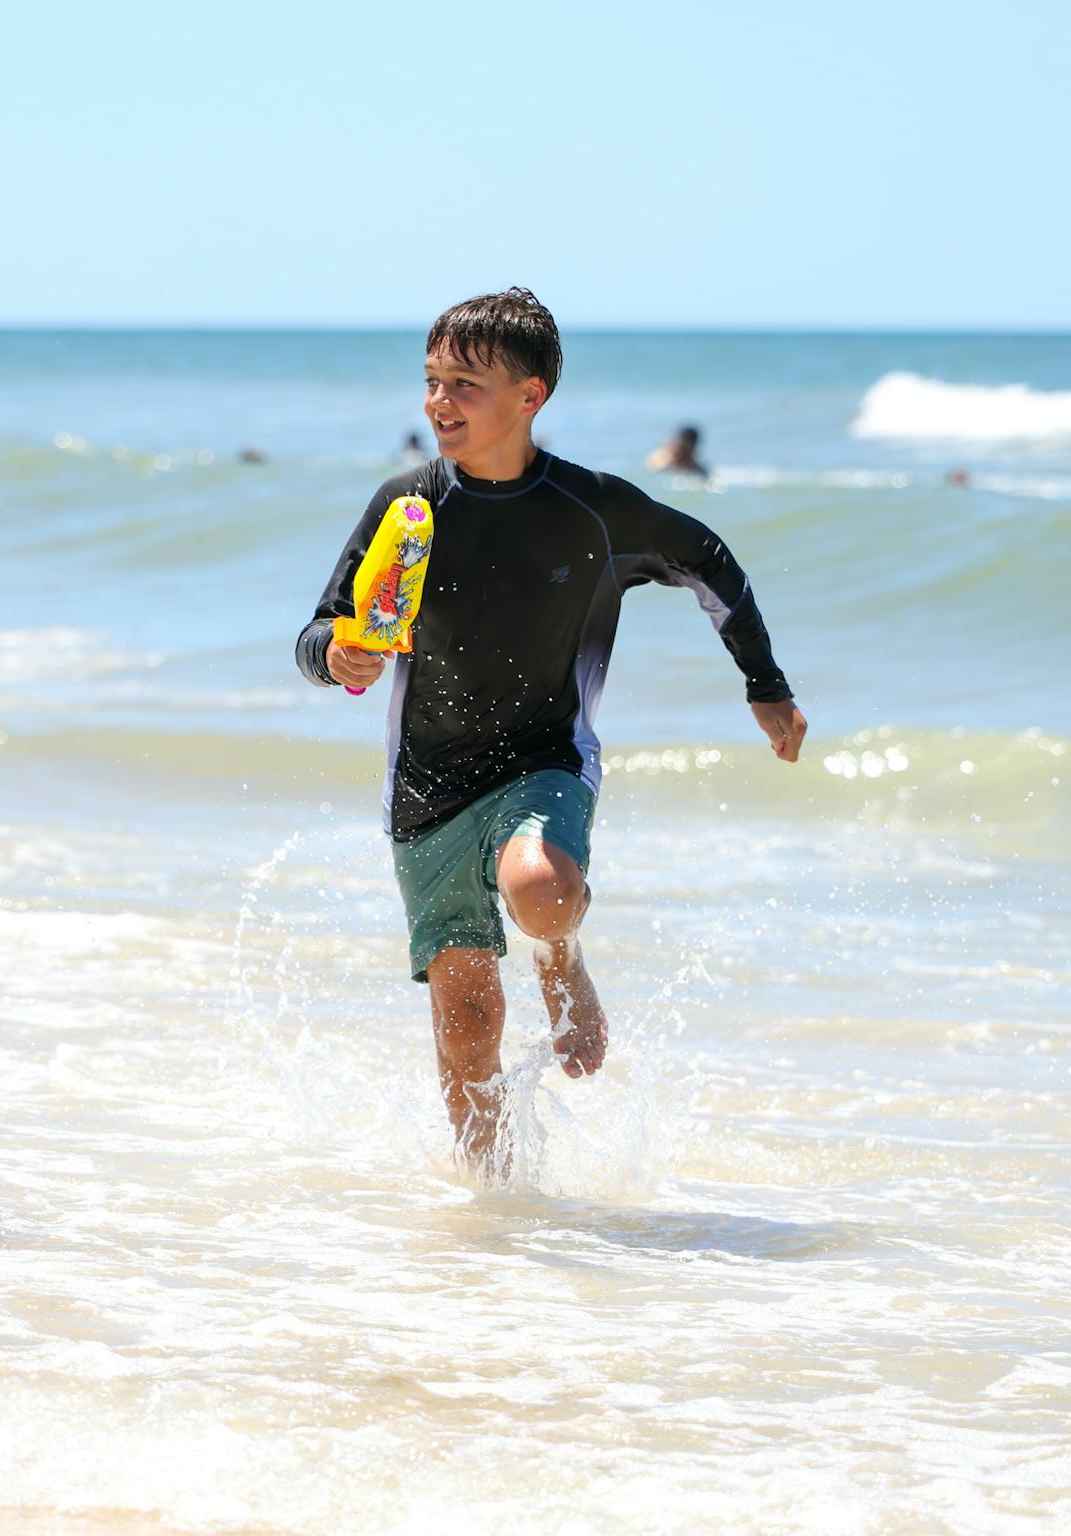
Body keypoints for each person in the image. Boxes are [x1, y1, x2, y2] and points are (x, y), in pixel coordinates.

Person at [295, 290, 805, 1167]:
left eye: (465, 382)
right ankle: (494, 1215)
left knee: (542, 890)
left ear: (530, 396)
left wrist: (765, 684)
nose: (439, 401)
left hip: (544, 759)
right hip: (425, 788)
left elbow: (711, 562)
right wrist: (337, 656)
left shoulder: (591, 509)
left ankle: (561, 956)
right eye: (431, 380)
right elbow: (320, 629)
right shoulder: (406, 507)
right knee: (467, 1028)